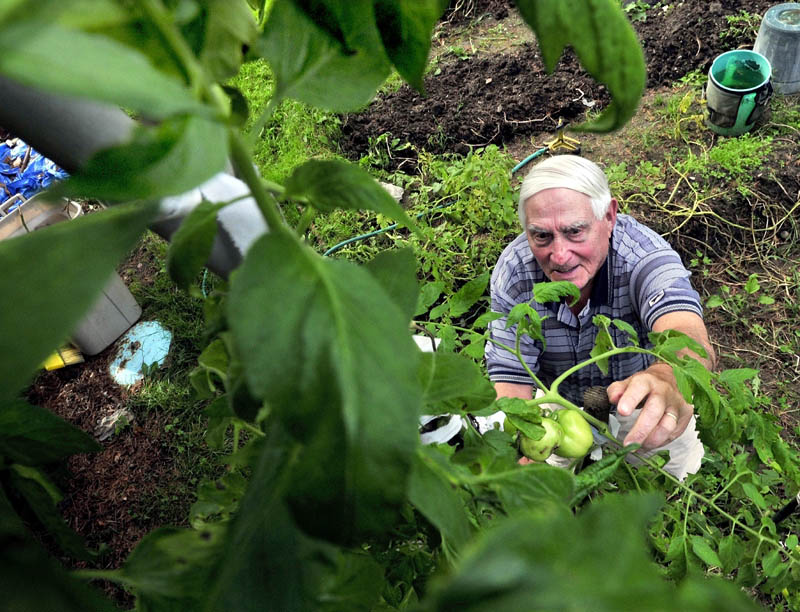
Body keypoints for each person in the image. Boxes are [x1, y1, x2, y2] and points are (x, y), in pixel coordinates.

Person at [484, 155, 715, 479]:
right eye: (541, 236)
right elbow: (511, 374)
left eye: (575, 231)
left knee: (666, 481)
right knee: (552, 481)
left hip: (640, 401)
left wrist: (668, 378)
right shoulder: (515, 273)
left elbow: (683, 327)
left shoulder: (642, 257)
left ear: (609, 216)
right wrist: (518, 452)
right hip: (558, 404)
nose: (560, 256)